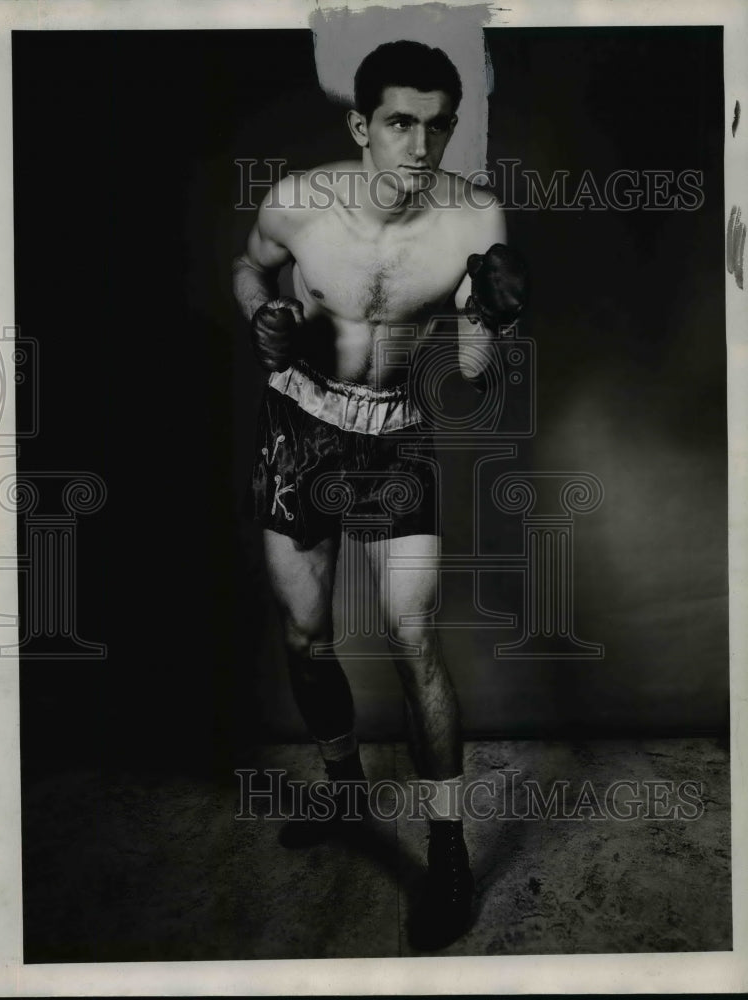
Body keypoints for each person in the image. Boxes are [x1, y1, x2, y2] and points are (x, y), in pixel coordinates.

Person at [232, 39, 526, 951]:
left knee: (410, 638)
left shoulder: (475, 218)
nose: (421, 144)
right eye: (401, 122)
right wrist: (264, 319)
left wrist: (494, 327)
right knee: (305, 635)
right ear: (364, 125)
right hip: (299, 428)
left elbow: (470, 384)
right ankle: (343, 788)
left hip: (397, 431)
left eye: (439, 125)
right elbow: (251, 270)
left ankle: (445, 849)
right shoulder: (296, 202)